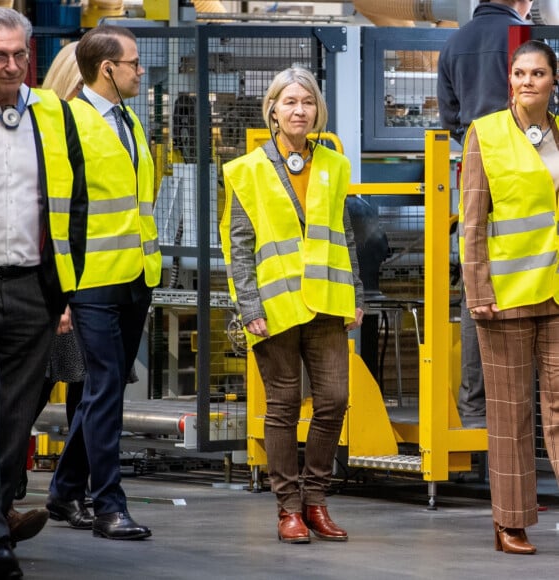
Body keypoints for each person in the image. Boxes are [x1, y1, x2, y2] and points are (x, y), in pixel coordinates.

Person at [220, 67, 364, 544]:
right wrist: (249, 305)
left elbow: (344, 235)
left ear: (316, 110)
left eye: (307, 102)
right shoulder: (248, 170)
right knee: (282, 406)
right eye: (290, 102)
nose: (299, 110)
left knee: (335, 400)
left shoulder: (334, 165)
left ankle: (315, 499)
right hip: (275, 307)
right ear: (273, 110)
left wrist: (356, 295)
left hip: (327, 302)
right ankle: (288, 509)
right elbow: (239, 245)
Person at [0, 7, 87, 579]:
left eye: (21, 54)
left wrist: (64, 289)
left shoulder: (50, 114)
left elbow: (76, 201)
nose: (13, 65)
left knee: (15, 420)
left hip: (33, 290)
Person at [47, 24, 161, 541]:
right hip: (91, 281)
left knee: (101, 391)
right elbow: (56, 210)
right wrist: (60, 291)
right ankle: (109, 503)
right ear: (106, 69)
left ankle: (64, 490)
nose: (141, 71)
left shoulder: (131, 121)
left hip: (136, 276)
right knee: (106, 387)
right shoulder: (68, 121)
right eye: (134, 63)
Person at [459, 39, 559, 555]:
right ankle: (510, 522)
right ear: (510, 81)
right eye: (519, 73)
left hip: (558, 294)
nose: (527, 82)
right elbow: (472, 222)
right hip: (506, 298)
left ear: (553, 81)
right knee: (510, 413)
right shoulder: (487, 134)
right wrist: (477, 290)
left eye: (537, 74)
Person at [437, 0, 532, 427]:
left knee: (478, 290)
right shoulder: (524, 41)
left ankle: (475, 413)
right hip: (528, 177)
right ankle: (526, 413)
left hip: (474, 171)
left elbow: (451, 119)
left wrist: (481, 143)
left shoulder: (453, 44)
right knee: (534, 288)